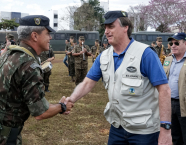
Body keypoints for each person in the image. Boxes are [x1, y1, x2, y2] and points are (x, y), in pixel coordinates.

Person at [64, 10, 172, 145]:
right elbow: (87, 83)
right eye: (105, 28)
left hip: (144, 131)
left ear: (126, 27)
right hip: (117, 127)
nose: (106, 31)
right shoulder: (104, 57)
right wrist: (71, 99)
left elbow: (164, 90)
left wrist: (166, 129)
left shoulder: (145, 54)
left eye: (111, 27)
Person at [0, 15, 73, 145]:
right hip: (3, 138)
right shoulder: (29, 65)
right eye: (47, 33)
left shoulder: (7, 54)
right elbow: (41, 112)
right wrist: (62, 106)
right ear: (34, 36)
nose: (50, 37)